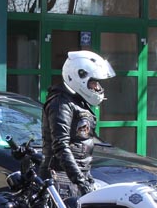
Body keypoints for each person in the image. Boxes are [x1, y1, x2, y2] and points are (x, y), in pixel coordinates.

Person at [41, 50, 115, 198]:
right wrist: (79, 180)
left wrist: (85, 178)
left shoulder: (78, 102)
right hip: (61, 179)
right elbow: (60, 145)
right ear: (79, 77)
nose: (97, 87)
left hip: (75, 177)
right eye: (93, 83)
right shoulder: (61, 103)